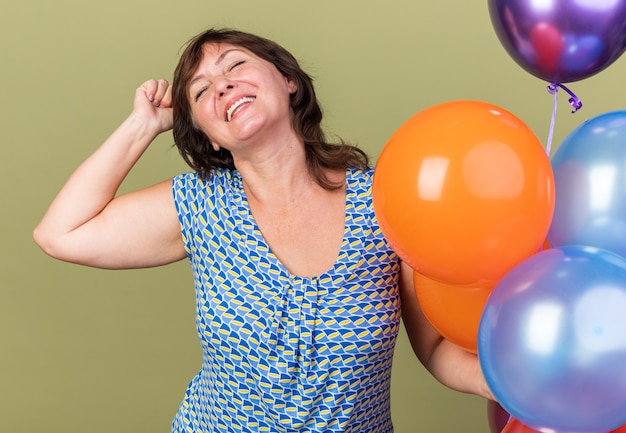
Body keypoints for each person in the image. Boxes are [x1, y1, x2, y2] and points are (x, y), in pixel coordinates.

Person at [33, 28, 492, 432]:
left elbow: (433, 349)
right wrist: (144, 124)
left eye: (235, 65)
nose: (223, 84)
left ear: (289, 81)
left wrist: (507, 383)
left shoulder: (385, 203)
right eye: (200, 92)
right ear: (208, 133)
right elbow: (61, 232)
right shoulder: (199, 205)